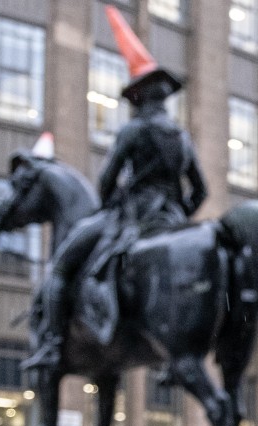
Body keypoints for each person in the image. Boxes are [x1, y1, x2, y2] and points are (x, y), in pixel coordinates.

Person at [21, 6, 207, 373]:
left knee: (61, 267)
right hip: (170, 218)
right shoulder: (181, 138)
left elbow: (107, 179)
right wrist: (179, 217)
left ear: (139, 97)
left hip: (132, 216)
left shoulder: (133, 131)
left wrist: (109, 208)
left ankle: (53, 343)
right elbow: (201, 190)